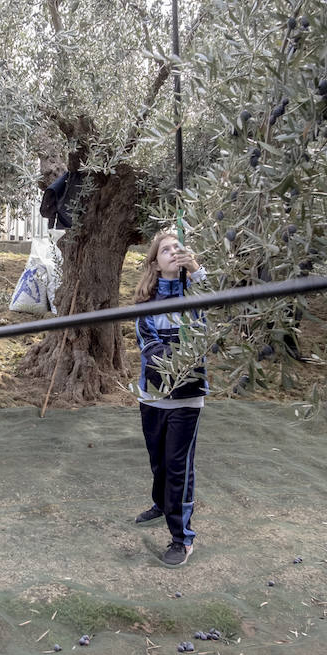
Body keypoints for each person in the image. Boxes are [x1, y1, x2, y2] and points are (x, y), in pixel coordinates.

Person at [131, 229, 207, 566]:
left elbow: (214, 312)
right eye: (166, 249)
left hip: (187, 398)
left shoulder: (197, 293)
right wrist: (179, 355)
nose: (173, 252)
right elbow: (147, 344)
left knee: (178, 467)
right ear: (156, 263)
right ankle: (161, 505)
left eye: (179, 247)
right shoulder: (146, 302)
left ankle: (182, 539)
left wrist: (198, 270)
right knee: (159, 462)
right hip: (152, 395)